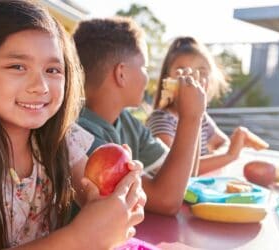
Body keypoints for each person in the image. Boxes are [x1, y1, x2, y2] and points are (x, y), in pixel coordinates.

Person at [0, 1, 146, 249]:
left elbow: (95, 197)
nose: (40, 86)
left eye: (53, 70)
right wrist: (77, 239)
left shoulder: (60, 139)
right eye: (18, 67)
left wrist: (122, 193)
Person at [73, 17, 206, 216]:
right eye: (144, 67)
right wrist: (191, 118)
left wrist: (194, 114)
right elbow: (166, 200)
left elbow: (184, 178)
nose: (147, 77)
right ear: (121, 74)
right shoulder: (80, 133)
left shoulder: (128, 123)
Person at [147, 36, 267, 175]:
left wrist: (229, 149)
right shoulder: (162, 119)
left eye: (202, 72)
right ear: (167, 79)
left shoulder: (202, 118)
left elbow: (223, 143)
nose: (192, 79)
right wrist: (229, 156)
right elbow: (174, 169)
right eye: (182, 72)